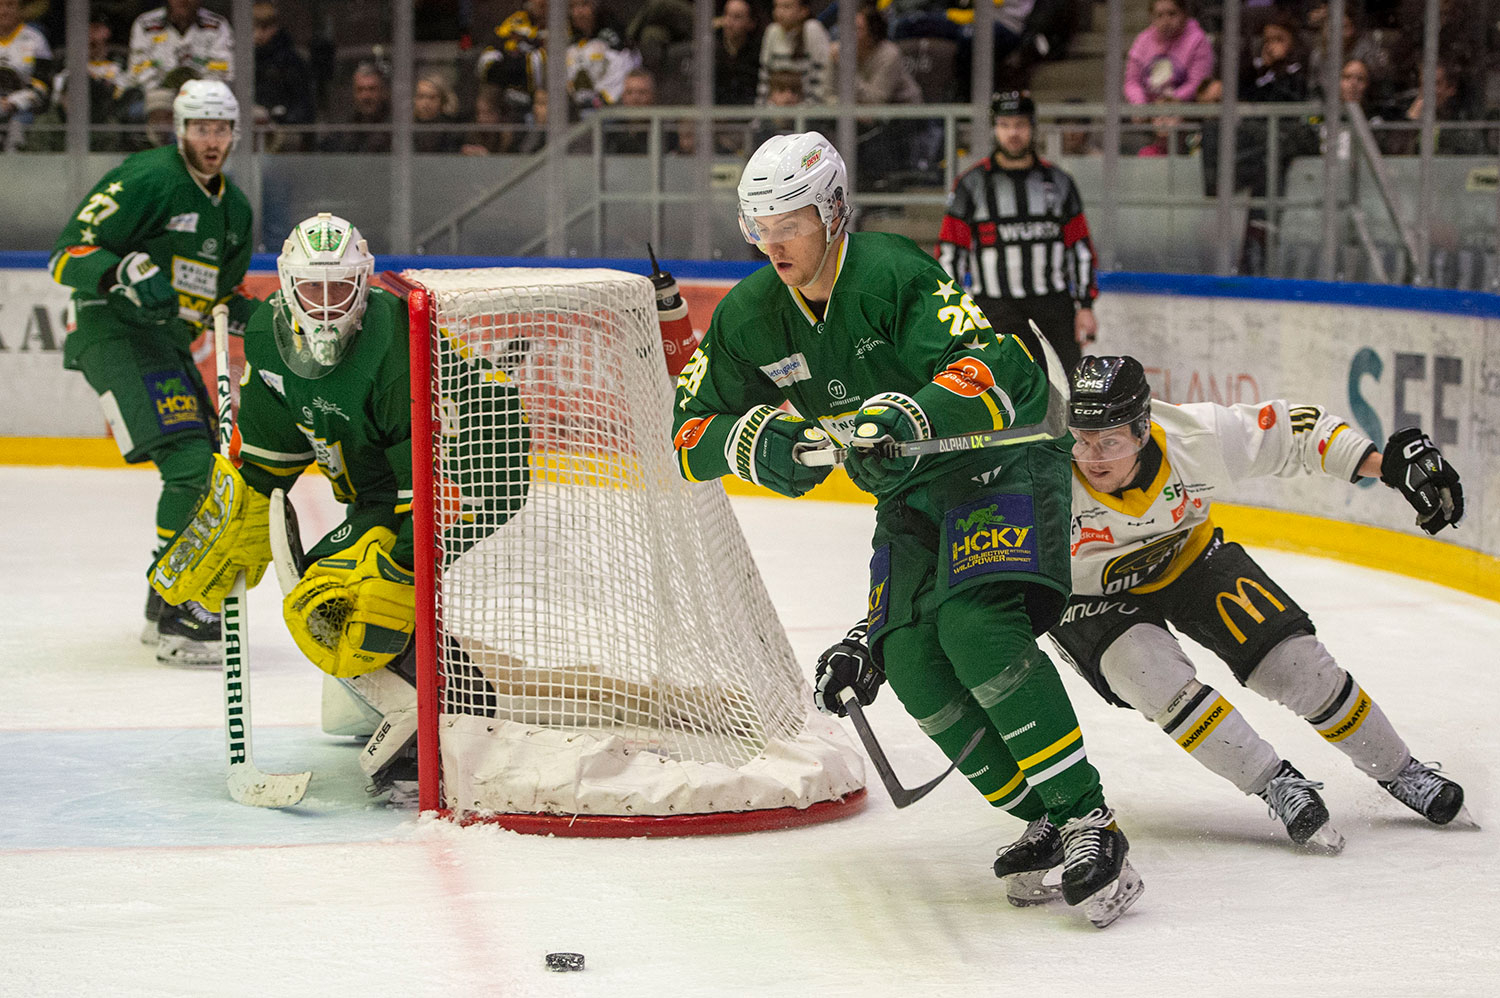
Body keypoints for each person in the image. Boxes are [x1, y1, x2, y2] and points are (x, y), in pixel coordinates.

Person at [671, 131, 1143, 928]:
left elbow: (997, 370)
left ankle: (1090, 818)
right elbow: (686, 431)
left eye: (789, 221)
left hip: (1004, 460)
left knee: (973, 626)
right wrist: (761, 443)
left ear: (831, 211)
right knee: (910, 659)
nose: (773, 242)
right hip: (911, 494)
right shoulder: (753, 313)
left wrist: (908, 410)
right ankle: (1046, 816)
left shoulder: (892, 273)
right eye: (760, 226)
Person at [146, 212, 530, 795]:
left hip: (477, 470)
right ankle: (398, 705)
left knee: (344, 596)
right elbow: (270, 460)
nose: (325, 306)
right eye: (311, 289)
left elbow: (435, 486)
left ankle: (445, 722)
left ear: (365, 282)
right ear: (285, 284)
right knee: (336, 591)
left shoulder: (396, 344)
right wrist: (239, 510)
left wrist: (400, 568)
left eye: (340, 289)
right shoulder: (270, 340)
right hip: (381, 485)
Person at [1047, 355, 1467, 856]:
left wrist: (1387, 466)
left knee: (1296, 666)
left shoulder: (1196, 437)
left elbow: (1295, 432)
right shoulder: (1045, 474)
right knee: (1149, 675)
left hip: (1187, 557)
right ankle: (1275, 783)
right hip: (1088, 595)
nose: (1092, 458)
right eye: (1083, 439)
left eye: (1109, 442)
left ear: (1143, 430)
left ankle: (1401, 770)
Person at [50, 79, 256, 666]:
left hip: (168, 345)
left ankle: (159, 599)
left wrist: (267, 320)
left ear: (234, 134)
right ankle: (178, 608)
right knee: (192, 465)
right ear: (180, 130)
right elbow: (66, 254)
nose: (210, 140)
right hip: (112, 331)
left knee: (215, 465)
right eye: (200, 128)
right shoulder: (147, 177)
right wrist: (124, 272)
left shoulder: (234, 210)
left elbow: (225, 297)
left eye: (220, 129)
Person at [936, 91, 1098, 377]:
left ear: (1033, 127)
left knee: (1066, 390)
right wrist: (954, 310)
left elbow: (1080, 247)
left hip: (1053, 308)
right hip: (994, 309)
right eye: (1005, 125)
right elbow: (950, 251)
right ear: (994, 129)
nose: (1013, 133)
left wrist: (1085, 306)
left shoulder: (1059, 182)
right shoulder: (971, 184)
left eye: (1021, 125)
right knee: (1001, 394)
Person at [127, 0, 234, 93]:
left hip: (205, 95)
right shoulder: (145, 24)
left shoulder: (217, 25)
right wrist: (163, 89)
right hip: (157, 94)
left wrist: (198, 91)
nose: (183, 0)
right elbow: (137, 71)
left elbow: (224, 72)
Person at [252, 2, 315, 150]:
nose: (258, 34)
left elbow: (304, 105)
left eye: (264, 28)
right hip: (253, 134)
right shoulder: (245, 60)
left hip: (285, 135)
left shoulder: (291, 62)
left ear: (275, 27)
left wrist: (280, 118)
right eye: (254, 28)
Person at [0, 0, 53, 150]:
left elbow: (43, 84)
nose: (4, 11)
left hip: (24, 106)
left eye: (10, 5)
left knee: (17, 126)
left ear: (20, 9)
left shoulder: (35, 39)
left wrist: (13, 102)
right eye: (0, 6)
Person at [756, 0, 831, 105]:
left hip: (811, 110)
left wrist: (804, 111)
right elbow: (764, 78)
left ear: (803, 11)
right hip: (777, 110)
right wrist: (762, 112)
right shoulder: (772, 31)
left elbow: (823, 80)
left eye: (786, 7)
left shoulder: (812, 29)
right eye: (776, 7)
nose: (779, 12)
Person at [321, 60, 391, 153]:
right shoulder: (344, 129)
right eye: (360, 90)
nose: (366, 96)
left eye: (372, 89)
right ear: (354, 93)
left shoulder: (393, 128)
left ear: (383, 92)